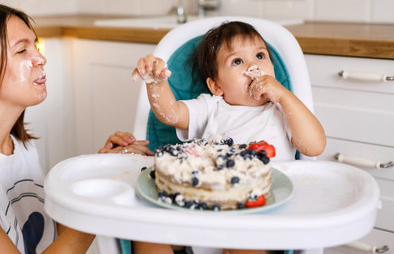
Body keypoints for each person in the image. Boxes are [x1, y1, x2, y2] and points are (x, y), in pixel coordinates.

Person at [131, 21, 326, 254]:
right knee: (146, 234)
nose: (253, 66)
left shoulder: (284, 111)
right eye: (237, 61)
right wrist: (157, 82)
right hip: (202, 211)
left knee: (246, 247)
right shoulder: (211, 107)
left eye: (260, 56)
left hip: (258, 216)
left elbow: (314, 147)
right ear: (216, 86)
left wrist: (284, 96)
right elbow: (171, 113)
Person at [0, 4, 98, 253]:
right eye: (22, 50)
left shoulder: (20, 145)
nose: (41, 58)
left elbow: (47, 237)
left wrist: (99, 172)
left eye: (35, 46)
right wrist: (97, 208)